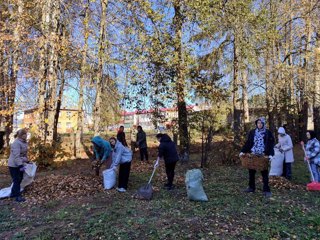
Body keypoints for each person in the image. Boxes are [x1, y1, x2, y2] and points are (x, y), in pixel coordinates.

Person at [240, 117, 275, 197]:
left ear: (263, 124)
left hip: (263, 155)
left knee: (264, 173)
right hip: (253, 154)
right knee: (251, 172)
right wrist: (243, 151)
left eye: (261, 123)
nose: (259, 125)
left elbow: (271, 144)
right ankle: (251, 187)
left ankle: (266, 190)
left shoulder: (267, 132)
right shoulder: (252, 132)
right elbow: (248, 143)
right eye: (258, 123)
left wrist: (271, 154)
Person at [8, 129, 29, 202]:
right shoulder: (16, 143)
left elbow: (25, 154)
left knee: (20, 179)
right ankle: (17, 196)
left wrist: (27, 160)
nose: (26, 135)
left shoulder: (24, 142)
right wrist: (20, 165)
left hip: (20, 163)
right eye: (24, 134)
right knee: (16, 179)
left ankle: (13, 193)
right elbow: (16, 156)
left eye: (26, 134)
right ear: (20, 135)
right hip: (14, 165)